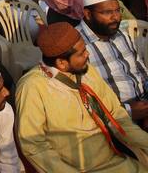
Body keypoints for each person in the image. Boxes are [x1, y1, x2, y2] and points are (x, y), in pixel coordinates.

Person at [16, 22, 148, 171]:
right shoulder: (32, 87)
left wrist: (145, 143)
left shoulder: (86, 71)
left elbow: (116, 115)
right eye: (81, 53)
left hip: (117, 158)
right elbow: (34, 146)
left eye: (85, 48)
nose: (88, 54)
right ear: (61, 63)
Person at [77, 0, 148, 128]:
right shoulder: (77, 45)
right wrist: (127, 111)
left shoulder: (121, 34)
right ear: (88, 14)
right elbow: (82, 98)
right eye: (107, 12)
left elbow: (142, 73)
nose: (115, 17)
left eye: (117, 10)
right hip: (112, 121)